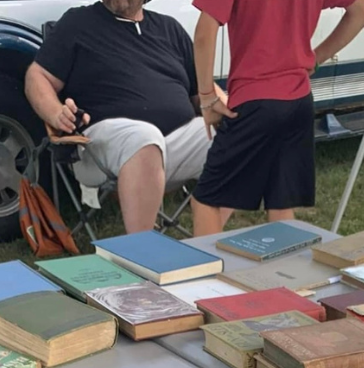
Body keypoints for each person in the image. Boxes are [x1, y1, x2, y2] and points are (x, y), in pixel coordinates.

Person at [25, 0, 232, 234]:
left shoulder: (170, 29)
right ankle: (140, 251)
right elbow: (38, 76)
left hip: (172, 143)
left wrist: (235, 113)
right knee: (144, 137)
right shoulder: (77, 23)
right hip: (99, 146)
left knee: (235, 134)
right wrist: (55, 112)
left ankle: (205, 246)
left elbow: (202, 92)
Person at [191, 0, 364, 235]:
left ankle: (207, 272)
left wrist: (207, 96)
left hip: (255, 99)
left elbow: (204, 34)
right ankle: (286, 272)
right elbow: (363, 12)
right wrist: (316, 58)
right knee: (281, 202)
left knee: (206, 200)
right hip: (299, 100)